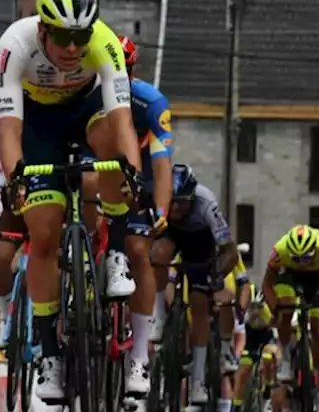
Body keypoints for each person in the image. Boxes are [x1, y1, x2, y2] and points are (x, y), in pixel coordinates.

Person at [0, 0, 150, 402]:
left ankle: (115, 252)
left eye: (80, 37)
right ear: (42, 28)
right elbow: (9, 130)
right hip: (37, 122)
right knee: (42, 233)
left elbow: (122, 122)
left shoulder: (104, 44)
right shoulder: (13, 45)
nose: (73, 48)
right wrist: (15, 177)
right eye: (62, 36)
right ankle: (49, 356)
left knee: (112, 148)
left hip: (87, 109)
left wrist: (132, 170)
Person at [110, 35, 177, 396]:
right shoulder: (83, 96)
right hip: (99, 175)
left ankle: (139, 356)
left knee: (138, 249)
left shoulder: (150, 102)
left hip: (143, 179)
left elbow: (162, 164)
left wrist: (161, 211)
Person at [150, 164, 242, 404]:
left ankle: (198, 379)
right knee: (157, 255)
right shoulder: (159, 195)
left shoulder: (206, 203)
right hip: (171, 234)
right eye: (174, 202)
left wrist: (216, 275)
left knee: (199, 304)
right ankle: (158, 315)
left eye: (183, 202)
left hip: (201, 242)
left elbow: (230, 251)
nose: (178, 208)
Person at [262, 224, 319, 403]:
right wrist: (275, 311)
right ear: (290, 252)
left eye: (306, 258)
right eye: (297, 258)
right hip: (288, 276)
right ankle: (287, 358)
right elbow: (267, 284)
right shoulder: (280, 250)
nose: (302, 263)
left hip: (316, 278)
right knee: (285, 310)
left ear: (314, 250)